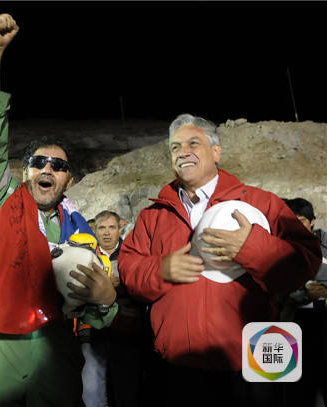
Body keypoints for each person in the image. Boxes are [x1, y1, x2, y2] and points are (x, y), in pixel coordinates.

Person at [0, 14, 117, 407]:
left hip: (55, 370)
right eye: (38, 162)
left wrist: (106, 299)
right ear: (25, 171)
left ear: (69, 180)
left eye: (58, 166)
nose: (48, 169)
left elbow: (94, 313)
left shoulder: (80, 235)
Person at [118, 113, 322, 406]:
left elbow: (307, 259)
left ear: (216, 152)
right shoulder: (153, 215)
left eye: (193, 143)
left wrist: (251, 247)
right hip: (177, 365)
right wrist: (160, 270)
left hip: (251, 362)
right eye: (175, 147)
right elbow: (129, 270)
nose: (182, 152)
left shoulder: (260, 202)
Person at [80, 210, 147, 407]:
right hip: (93, 334)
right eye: (102, 228)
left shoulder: (132, 255)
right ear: (95, 230)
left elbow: (144, 287)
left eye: (111, 227)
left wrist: (122, 286)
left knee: (126, 391)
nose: (107, 233)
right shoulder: (86, 255)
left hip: (127, 332)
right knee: (91, 393)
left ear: (120, 229)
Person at [281, 197, 327, 407]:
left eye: (301, 221)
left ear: (312, 221)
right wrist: (303, 294)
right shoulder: (279, 248)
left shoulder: (324, 245)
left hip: (321, 319)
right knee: (296, 385)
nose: (296, 227)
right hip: (293, 322)